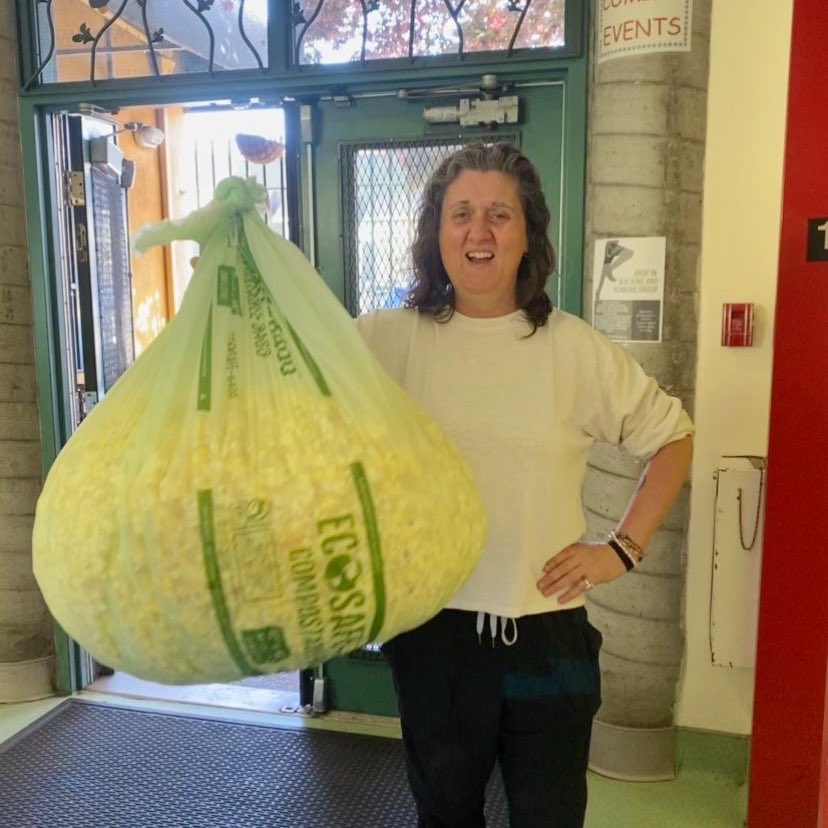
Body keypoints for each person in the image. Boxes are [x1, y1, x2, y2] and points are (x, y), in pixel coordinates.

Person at [356, 142, 694, 828]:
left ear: (528, 233)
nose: (477, 231)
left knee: (551, 817)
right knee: (445, 817)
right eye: (460, 213)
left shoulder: (571, 348)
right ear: (436, 232)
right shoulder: (384, 341)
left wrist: (621, 549)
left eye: (499, 214)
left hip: (548, 639)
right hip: (434, 637)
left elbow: (673, 438)